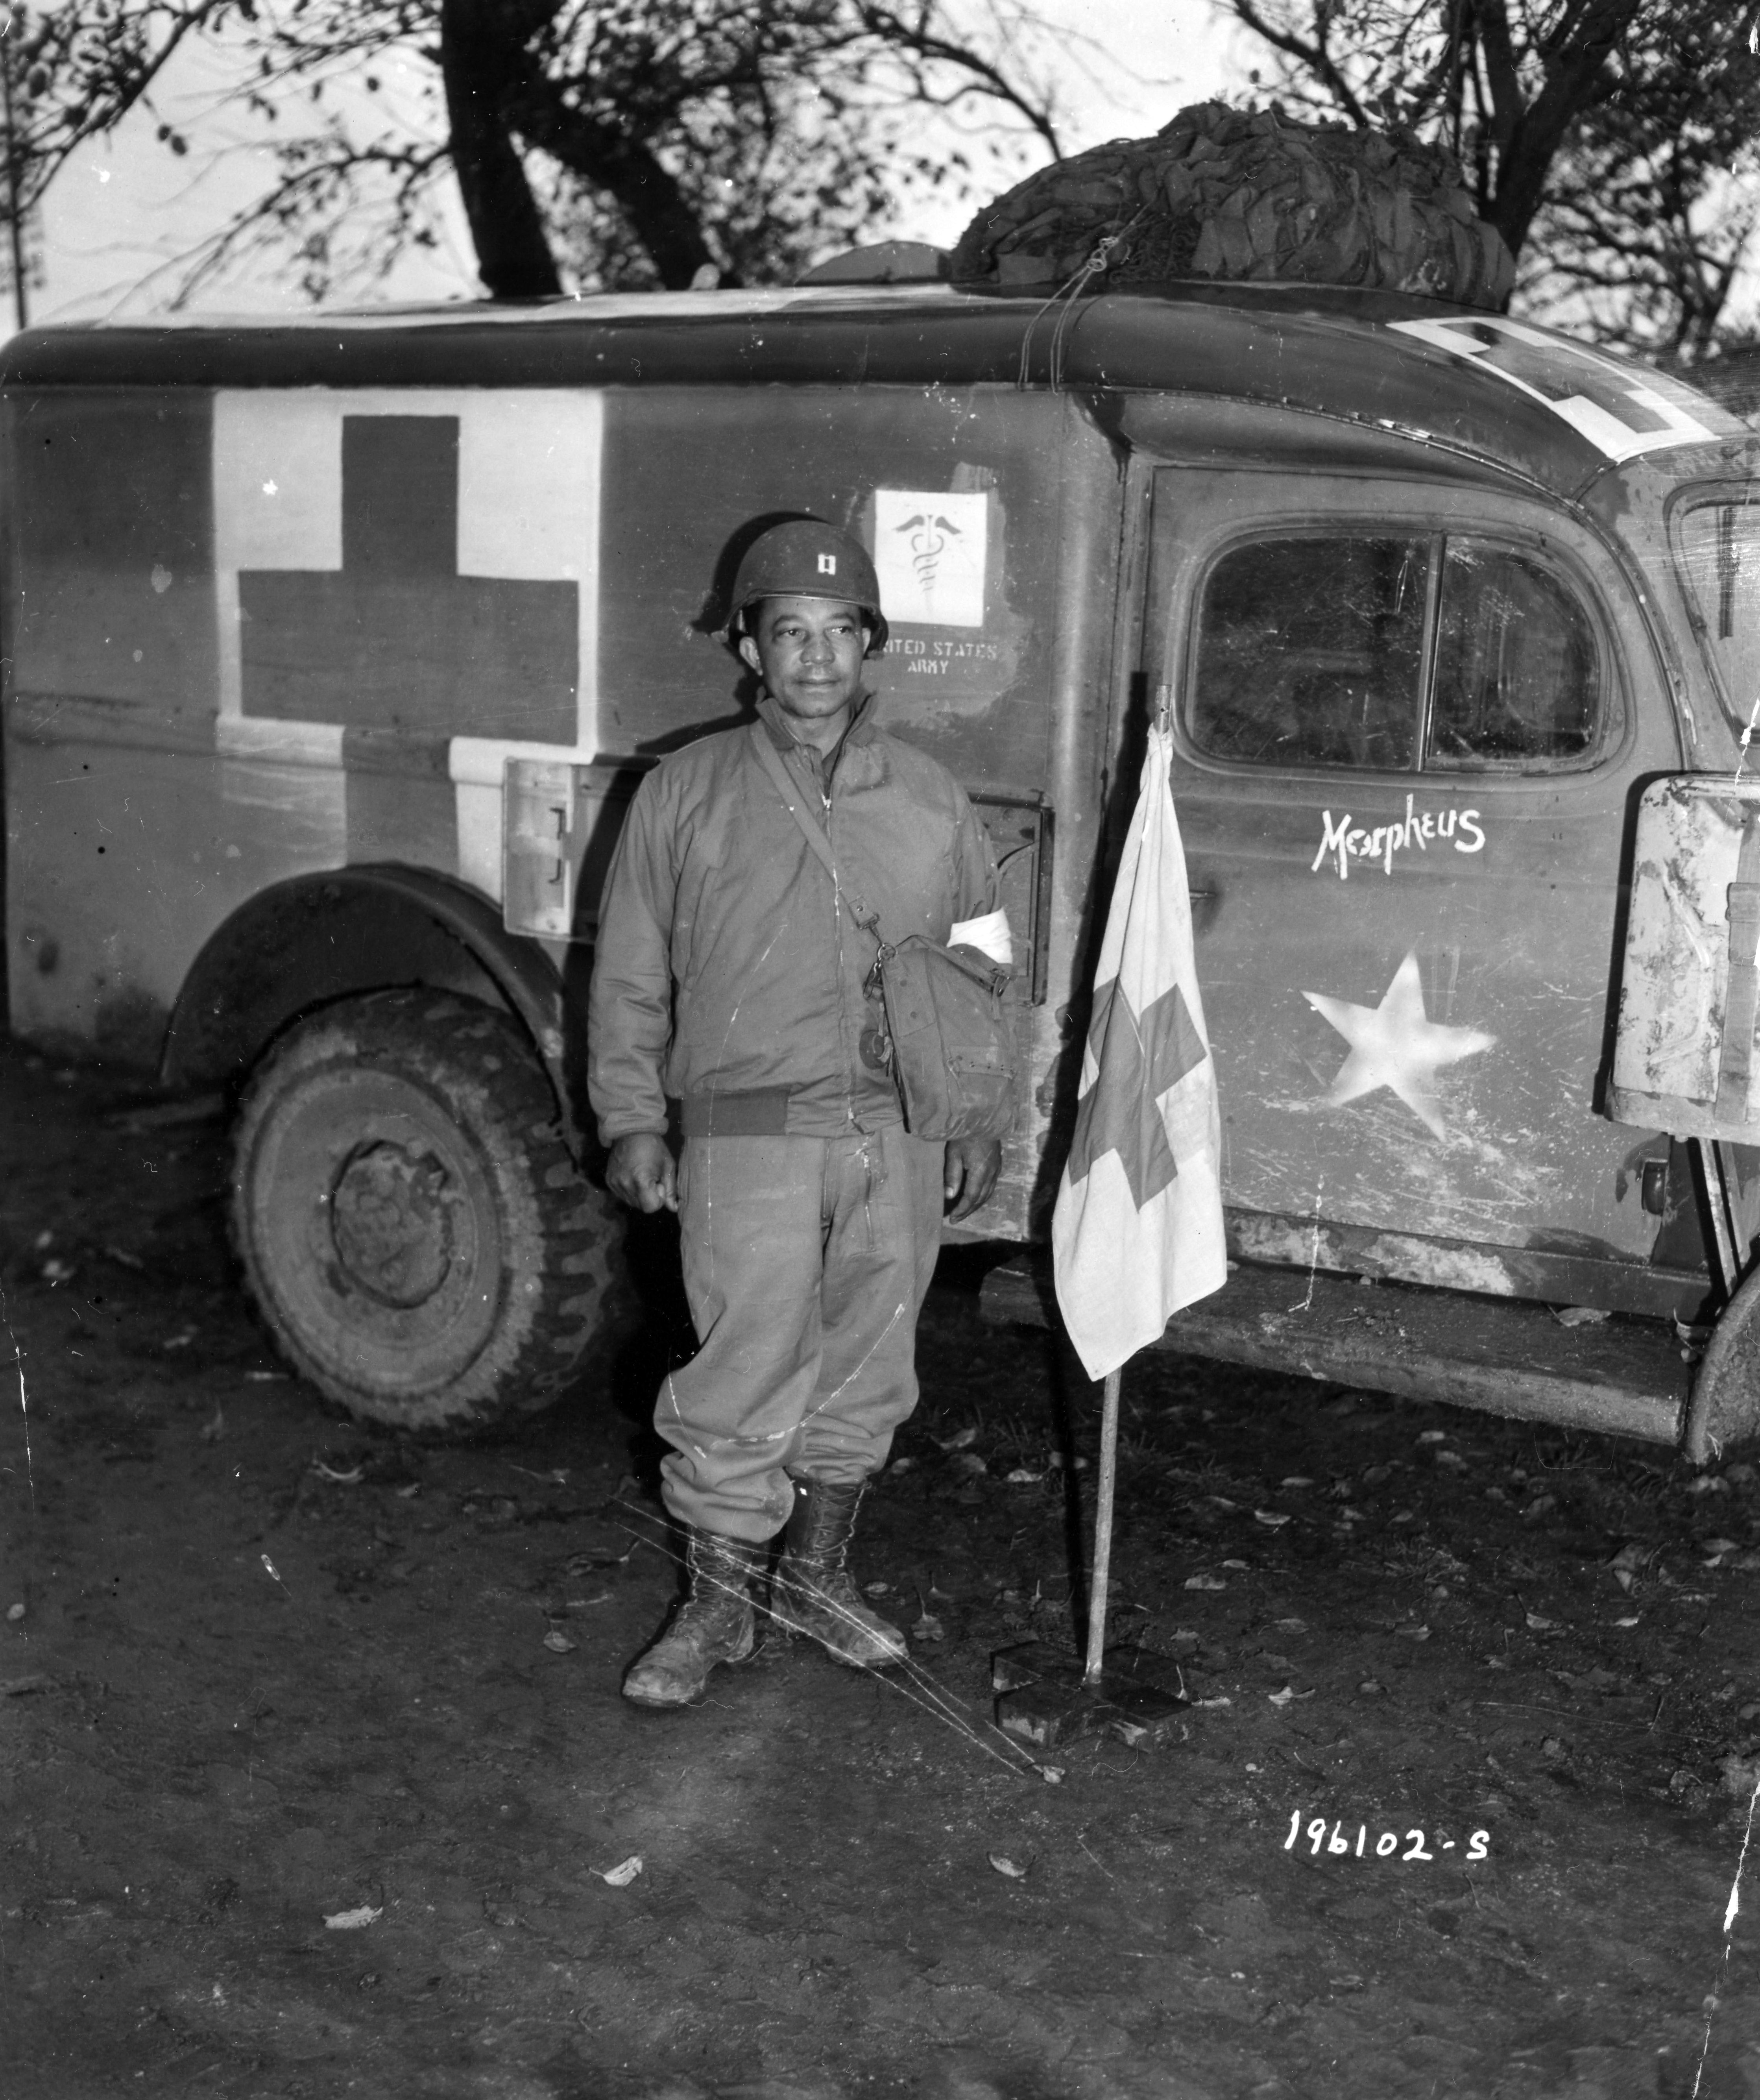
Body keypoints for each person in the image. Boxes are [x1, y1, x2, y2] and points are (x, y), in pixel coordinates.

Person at [587, 518, 1007, 1709]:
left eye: (839, 632)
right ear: (749, 647)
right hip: (745, 1133)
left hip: (896, 1135)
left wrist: (974, 1114)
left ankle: (816, 1580)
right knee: (738, 1368)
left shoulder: (931, 798)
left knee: (869, 1366)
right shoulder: (686, 790)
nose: (816, 658)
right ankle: (714, 1611)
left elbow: (982, 965)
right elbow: (628, 971)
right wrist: (630, 1117)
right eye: (790, 633)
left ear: (869, 646)